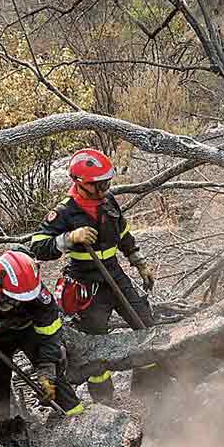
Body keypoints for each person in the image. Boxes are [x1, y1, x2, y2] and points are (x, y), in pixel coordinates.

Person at [31, 148, 164, 403]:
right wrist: (69, 238)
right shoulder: (64, 212)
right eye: (99, 184)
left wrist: (139, 262)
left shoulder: (108, 201)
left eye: (107, 182)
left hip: (115, 274)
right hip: (86, 282)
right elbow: (37, 246)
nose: (105, 188)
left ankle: (148, 387)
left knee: (145, 323)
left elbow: (123, 233)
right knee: (95, 345)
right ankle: (104, 400)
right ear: (80, 183)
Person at [0, 249, 84, 422]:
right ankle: (4, 425)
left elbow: (49, 337)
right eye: (12, 298)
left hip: (28, 332)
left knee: (54, 379)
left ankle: (77, 417)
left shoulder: (42, 300)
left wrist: (47, 369)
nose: (17, 303)